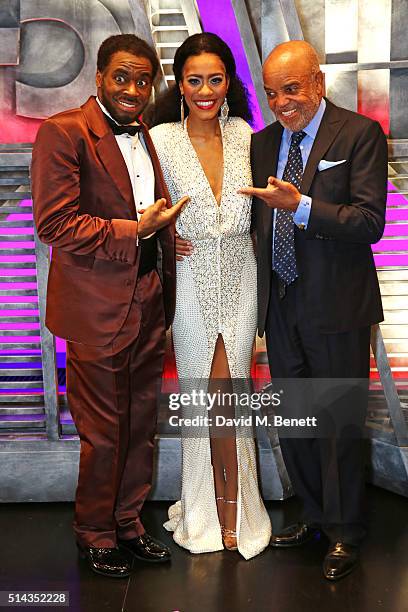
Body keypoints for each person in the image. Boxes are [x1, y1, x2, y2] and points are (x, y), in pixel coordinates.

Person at [31, 34, 188, 578]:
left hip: (148, 296)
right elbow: (54, 222)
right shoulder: (63, 131)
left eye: (143, 80)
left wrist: (166, 238)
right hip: (97, 309)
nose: (133, 90)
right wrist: (134, 230)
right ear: (98, 78)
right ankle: (95, 532)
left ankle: (128, 522)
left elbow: (145, 208)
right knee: (103, 431)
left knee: (141, 420)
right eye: (121, 77)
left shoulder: (143, 131)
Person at [239, 40, 388, 580]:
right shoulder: (261, 143)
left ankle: (346, 530)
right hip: (279, 302)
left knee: (337, 420)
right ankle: (315, 513)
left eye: (293, 89)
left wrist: (299, 207)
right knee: (297, 420)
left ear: (318, 83)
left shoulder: (359, 133)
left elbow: (370, 222)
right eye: (273, 93)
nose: (282, 103)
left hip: (337, 305)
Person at [149, 33, 271, 560]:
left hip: (242, 278)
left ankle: (241, 508)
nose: (205, 90)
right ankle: (208, 509)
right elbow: (139, 207)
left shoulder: (248, 135)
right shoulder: (158, 139)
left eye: (215, 79)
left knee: (231, 392)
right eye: (194, 79)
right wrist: (158, 240)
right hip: (192, 280)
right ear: (180, 83)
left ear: (228, 83)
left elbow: (267, 209)